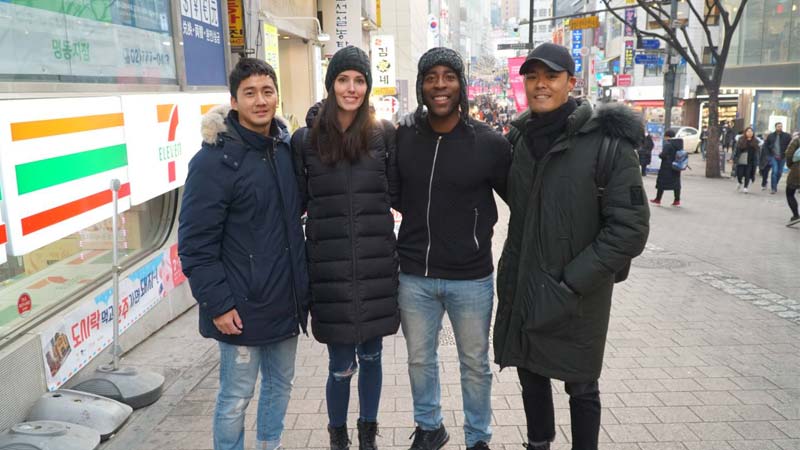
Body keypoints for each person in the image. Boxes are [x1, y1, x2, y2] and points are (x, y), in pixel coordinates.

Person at [494, 43, 650, 450]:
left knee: (581, 385)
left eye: (551, 76)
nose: (540, 84)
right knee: (530, 371)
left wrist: (572, 281)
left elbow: (631, 228)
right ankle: (539, 443)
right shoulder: (519, 140)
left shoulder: (607, 144)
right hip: (527, 280)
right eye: (532, 76)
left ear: (571, 82)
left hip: (577, 292)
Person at [178, 58, 309, 450]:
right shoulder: (213, 162)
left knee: (280, 388)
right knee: (235, 398)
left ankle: (271, 445)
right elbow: (195, 244)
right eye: (249, 93)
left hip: (284, 300)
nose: (260, 100)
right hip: (239, 307)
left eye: (267, 91)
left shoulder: (285, 152)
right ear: (233, 101)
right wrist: (218, 303)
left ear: (276, 97)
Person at [395, 47, 512, 450]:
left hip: (472, 277)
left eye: (448, 76)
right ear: (421, 86)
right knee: (418, 360)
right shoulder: (404, 138)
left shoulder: (489, 143)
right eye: (431, 77)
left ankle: (478, 438)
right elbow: (393, 194)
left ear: (461, 85)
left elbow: (520, 197)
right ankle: (430, 427)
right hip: (415, 275)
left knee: (475, 366)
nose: (439, 85)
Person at [291, 46, 400, 450]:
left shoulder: (383, 135)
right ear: (330, 84)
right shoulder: (305, 141)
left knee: (372, 358)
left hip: (375, 271)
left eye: (359, 80)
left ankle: (367, 433)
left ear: (367, 87)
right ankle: (338, 436)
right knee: (340, 366)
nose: (351, 88)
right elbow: (296, 203)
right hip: (331, 273)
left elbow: (399, 192)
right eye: (343, 79)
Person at [651, 128, 683, 206]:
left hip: (666, 167)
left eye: (665, 136)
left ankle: (658, 199)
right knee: (676, 184)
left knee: (661, 183)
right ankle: (677, 200)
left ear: (667, 136)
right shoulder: (679, 144)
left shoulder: (668, 144)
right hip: (676, 167)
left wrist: (660, 154)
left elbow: (663, 155)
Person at [763, 122, 791, 194]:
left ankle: (775, 183)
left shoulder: (787, 136)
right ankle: (773, 188)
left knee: (779, 172)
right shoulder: (771, 136)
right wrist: (768, 155)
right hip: (773, 156)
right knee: (774, 172)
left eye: (781, 126)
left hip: (782, 157)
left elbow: (790, 145)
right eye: (778, 126)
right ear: (775, 127)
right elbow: (766, 146)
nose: (780, 128)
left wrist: (787, 153)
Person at [733, 127, 759, 193]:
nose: (750, 133)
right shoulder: (741, 139)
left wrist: (757, 160)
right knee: (740, 174)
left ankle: (745, 187)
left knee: (748, 174)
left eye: (751, 132)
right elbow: (736, 150)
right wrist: (734, 158)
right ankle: (739, 182)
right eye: (748, 131)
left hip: (751, 160)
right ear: (745, 132)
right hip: (742, 160)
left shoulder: (755, 141)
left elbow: (758, 151)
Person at [785, 136, 800, 226]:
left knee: (790, 193)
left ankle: (796, 216)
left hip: (797, 171)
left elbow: (789, 154)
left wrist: (790, 165)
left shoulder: (797, 140)